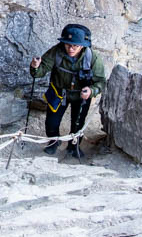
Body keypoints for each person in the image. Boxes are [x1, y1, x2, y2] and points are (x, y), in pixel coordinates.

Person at [29, 24, 106, 158]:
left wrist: (91, 91)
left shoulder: (92, 57)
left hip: (80, 96)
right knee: (51, 122)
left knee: (78, 123)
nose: (71, 48)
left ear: (82, 45)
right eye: (68, 44)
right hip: (59, 93)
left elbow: (101, 82)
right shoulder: (56, 52)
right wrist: (35, 67)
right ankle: (53, 142)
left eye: (75, 46)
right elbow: (40, 71)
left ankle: (73, 146)